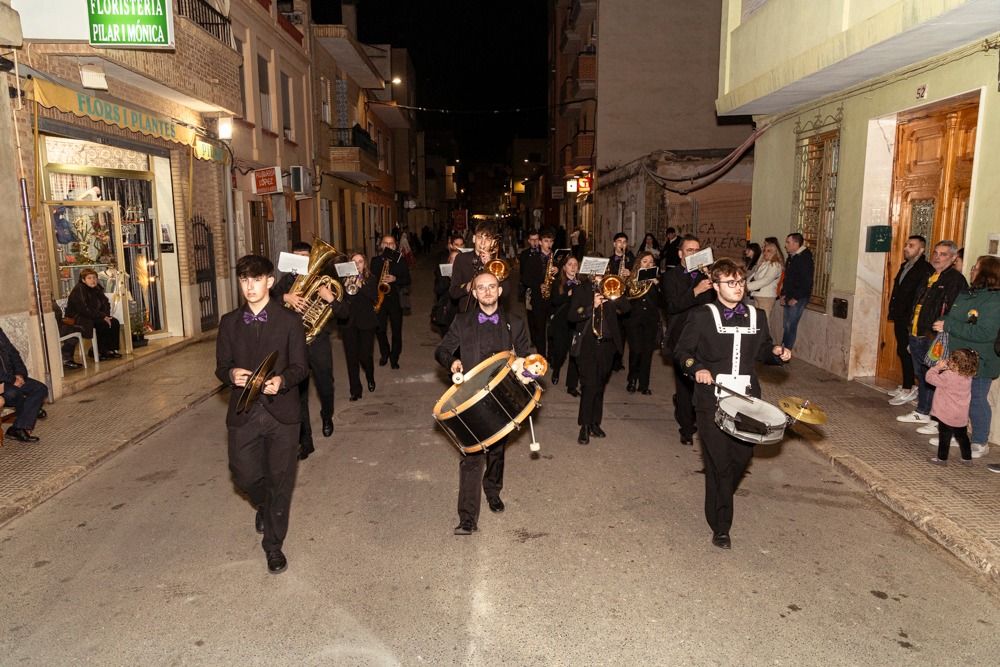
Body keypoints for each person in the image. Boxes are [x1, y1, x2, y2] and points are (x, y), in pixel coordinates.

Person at [674, 258, 792, 549]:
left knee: (740, 460)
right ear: (715, 286)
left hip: (748, 402)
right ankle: (721, 526)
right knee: (721, 463)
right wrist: (696, 368)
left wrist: (776, 352)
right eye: (730, 282)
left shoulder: (756, 316)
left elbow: (763, 349)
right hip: (711, 401)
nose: (738, 287)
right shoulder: (702, 316)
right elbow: (683, 352)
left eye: (740, 282)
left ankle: (717, 495)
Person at [215, 254, 308, 574]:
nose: (250, 286)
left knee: (280, 482)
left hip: (281, 414)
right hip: (244, 413)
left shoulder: (290, 321)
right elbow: (221, 366)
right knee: (244, 475)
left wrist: (282, 380)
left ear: (270, 281)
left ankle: (273, 546)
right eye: (244, 280)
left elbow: (300, 367)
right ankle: (263, 503)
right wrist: (231, 376)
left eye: (256, 280)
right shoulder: (229, 322)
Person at [435, 271, 532, 535]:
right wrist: (452, 361)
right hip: (472, 399)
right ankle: (467, 517)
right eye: (481, 288)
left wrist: (530, 367)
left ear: (500, 292)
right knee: (471, 456)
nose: (487, 292)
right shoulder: (462, 321)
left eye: (492, 287)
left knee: (497, 452)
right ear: (474, 293)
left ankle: (493, 491)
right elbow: (442, 350)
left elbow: (528, 354)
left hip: (503, 396)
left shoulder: (516, 322)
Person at [271, 242, 343, 460]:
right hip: (294, 345)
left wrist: (328, 298)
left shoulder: (324, 280)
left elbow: (343, 310)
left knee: (325, 385)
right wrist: (285, 298)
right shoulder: (285, 283)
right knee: (298, 393)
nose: (302, 259)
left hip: (318, 341)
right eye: (297, 256)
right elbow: (266, 303)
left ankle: (327, 415)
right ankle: (306, 441)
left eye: (305, 255)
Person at [932, 255, 1000, 458]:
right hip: (958, 359)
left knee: (977, 400)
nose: (972, 270)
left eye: (976, 267)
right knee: (955, 398)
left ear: (987, 273)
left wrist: (950, 326)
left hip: (981, 360)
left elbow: (985, 333)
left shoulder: (995, 300)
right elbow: (956, 318)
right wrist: (943, 322)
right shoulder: (968, 293)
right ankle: (955, 432)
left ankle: (980, 441)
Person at [896, 240, 968, 430]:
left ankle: (934, 416)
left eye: (943, 254)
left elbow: (954, 309)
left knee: (934, 374)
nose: (937, 257)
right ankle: (922, 411)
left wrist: (940, 327)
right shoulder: (930, 275)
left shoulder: (955, 280)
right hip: (917, 332)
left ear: (953, 258)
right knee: (922, 373)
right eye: (936, 253)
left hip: (933, 335)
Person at [661, 234, 716, 445]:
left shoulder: (706, 276)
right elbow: (673, 306)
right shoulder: (671, 277)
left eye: (697, 250)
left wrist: (713, 282)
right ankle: (686, 428)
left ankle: (696, 417)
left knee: (702, 385)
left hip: (704, 338)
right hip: (681, 338)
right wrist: (696, 290)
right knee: (684, 385)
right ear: (681, 253)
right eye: (690, 250)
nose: (694, 254)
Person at [569, 268, 630, 444]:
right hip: (588, 345)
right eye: (594, 272)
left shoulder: (611, 286)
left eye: (601, 271)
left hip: (607, 345)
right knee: (589, 385)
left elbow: (626, 308)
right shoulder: (581, 289)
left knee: (600, 386)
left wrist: (615, 294)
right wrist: (591, 307)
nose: (598, 275)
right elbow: (572, 315)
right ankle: (585, 425)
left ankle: (595, 422)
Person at [886, 235, 934, 406]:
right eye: (906, 245)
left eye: (911, 246)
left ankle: (909, 388)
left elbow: (920, 296)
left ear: (921, 250)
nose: (906, 248)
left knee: (908, 352)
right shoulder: (905, 265)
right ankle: (907, 384)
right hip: (900, 315)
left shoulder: (925, 269)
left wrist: (913, 318)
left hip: (910, 319)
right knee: (901, 350)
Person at [926, 348, 978, 466]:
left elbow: (929, 378)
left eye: (950, 359)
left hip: (946, 414)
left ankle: (942, 459)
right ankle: (967, 459)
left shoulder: (948, 375)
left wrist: (937, 367)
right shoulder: (968, 377)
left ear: (955, 363)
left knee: (944, 437)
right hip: (960, 415)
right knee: (963, 437)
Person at [340, 252, 380, 401]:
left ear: (365, 265)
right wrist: (343, 288)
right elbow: (339, 302)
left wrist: (360, 285)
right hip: (348, 323)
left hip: (367, 322)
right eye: (354, 262)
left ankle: (370, 376)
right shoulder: (343, 279)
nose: (357, 265)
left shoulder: (370, 279)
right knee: (351, 358)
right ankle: (355, 390)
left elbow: (374, 298)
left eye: (360, 262)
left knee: (365, 355)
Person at [451, 220, 512, 312]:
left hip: (492, 315)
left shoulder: (499, 261)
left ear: (493, 242)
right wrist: (468, 286)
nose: (483, 243)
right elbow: (453, 292)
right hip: (467, 314)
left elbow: (506, 292)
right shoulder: (461, 259)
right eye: (480, 238)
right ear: (474, 239)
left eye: (487, 239)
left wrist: (491, 265)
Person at [0, 327, 48, 443]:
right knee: (14, 394)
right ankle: (30, 413)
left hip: (12, 377)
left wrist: (20, 374)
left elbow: (13, 353)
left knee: (40, 389)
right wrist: (12, 380)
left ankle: (18, 427)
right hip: (3, 382)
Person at [372, 235, 411, 370]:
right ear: (381, 245)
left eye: (391, 243)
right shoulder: (375, 261)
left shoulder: (401, 260)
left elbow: (407, 279)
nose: (388, 246)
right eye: (386, 243)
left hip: (395, 300)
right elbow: (371, 280)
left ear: (395, 245)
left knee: (396, 331)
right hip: (380, 299)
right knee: (380, 330)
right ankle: (385, 353)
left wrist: (395, 279)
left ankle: (394, 358)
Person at [65, 268, 122, 360]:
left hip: (95, 315)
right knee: (102, 324)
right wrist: (102, 316)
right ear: (83, 280)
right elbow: (84, 309)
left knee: (114, 322)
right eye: (89, 278)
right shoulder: (79, 289)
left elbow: (105, 303)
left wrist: (106, 315)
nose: (93, 280)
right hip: (81, 317)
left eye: (94, 278)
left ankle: (111, 349)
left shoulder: (97, 288)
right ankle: (100, 350)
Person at [625, 251, 661, 395]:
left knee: (647, 353)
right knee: (636, 351)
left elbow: (663, 302)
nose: (648, 264)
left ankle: (644, 384)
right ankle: (632, 380)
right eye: (645, 261)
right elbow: (626, 298)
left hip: (650, 321)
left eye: (651, 262)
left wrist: (657, 285)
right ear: (639, 263)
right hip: (634, 320)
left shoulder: (656, 281)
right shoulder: (630, 280)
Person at [547, 255, 581, 394]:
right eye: (570, 264)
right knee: (560, 352)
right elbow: (555, 301)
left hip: (577, 322)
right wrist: (569, 293)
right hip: (562, 322)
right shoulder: (558, 283)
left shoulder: (582, 282)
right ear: (564, 267)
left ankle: (571, 386)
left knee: (575, 354)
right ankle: (556, 370)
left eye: (575, 264)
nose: (573, 267)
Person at [522, 227, 557, 355]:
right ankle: (542, 355)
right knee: (540, 330)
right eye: (546, 241)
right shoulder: (533, 258)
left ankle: (553, 355)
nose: (549, 244)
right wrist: (538, 285)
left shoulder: (556, 258)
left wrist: (559, 271)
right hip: (538, 298)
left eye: (551, 241)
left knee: (554, 329)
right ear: (540, 242)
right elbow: (525, 279)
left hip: (554, 299)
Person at [778, 233, 814, 350]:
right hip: (789, 295)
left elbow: (806, 281)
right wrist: (783, 294)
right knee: (786, 325)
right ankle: (783, 348)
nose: (786, 245)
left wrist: (796, 298)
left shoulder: (804, 258)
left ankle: (785, 351)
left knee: (790, 325)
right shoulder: (792, 257)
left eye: (788, 242)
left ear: (796, 243)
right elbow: (787, 278)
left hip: (798, 297)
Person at [746, 239, 783, 318]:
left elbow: (766, 280)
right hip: (758, 295)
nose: (765, 252)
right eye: (765, 250)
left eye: (769, 251)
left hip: (766, 297)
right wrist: (744, 284)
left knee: (764, 322)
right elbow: (754, 276)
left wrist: (747, 287)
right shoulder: (764, 263)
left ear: (775, 252)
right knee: (758, 321)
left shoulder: (775, 265)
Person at [53, 299, 84, 370]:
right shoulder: (52, 305)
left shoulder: (52, 304)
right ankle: (67, 358)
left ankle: (66, 356)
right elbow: (58, 319)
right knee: (76, 329)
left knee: (74, 328)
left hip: (57, 328)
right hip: (56, 331)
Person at [517, 229, 541, 301]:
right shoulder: (524, 254)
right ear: (529, 241)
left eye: (536, 239)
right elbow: (522, 271)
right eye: (532, 240)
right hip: (529, 286)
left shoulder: (544, 252)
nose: (534, 242)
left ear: (539, 240)